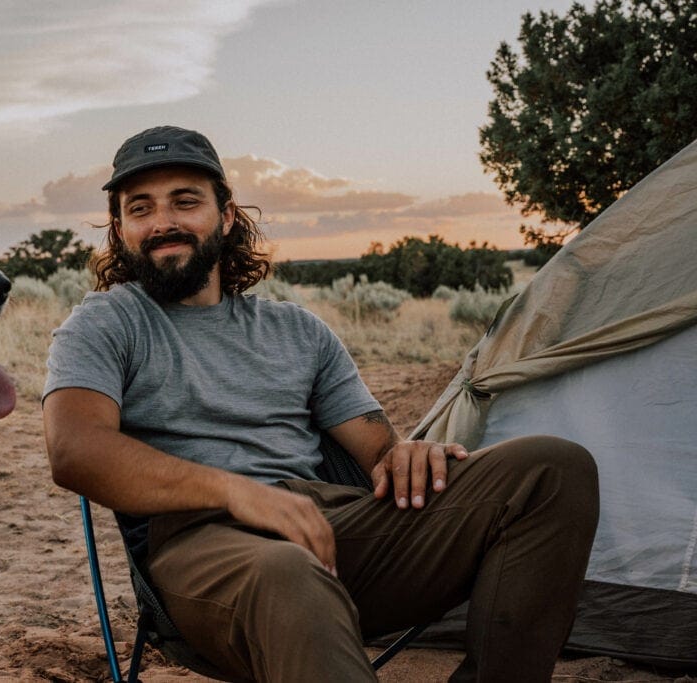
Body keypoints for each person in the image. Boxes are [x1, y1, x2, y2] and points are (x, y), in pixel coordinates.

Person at [42, 125, 599, 682]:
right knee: (287, 571)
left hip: (331, 526)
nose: (163, 221)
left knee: (553, 468)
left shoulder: (297, 330)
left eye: (185, 201)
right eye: (140, 208)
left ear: (227, 215)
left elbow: (379, 453)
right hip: (201, 544)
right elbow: (75, 450)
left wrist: (404, 455)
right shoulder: (105, 322)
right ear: (120, 229)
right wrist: (238, 492)